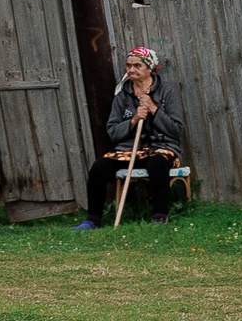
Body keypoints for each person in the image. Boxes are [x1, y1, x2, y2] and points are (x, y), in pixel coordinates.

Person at [74, 47, 184, 228]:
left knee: (157, 164)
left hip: (161, 147)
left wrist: (153, 109)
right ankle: (92, 220)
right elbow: (113, 131)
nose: (131, 69)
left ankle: (159, 218)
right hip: (128, 150)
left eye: (137, 66)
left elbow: (176, 129)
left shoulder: (166, 91)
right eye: (128, 65)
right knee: (99, 167)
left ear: (150, 68)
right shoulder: (122, 95)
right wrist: (133, 120)